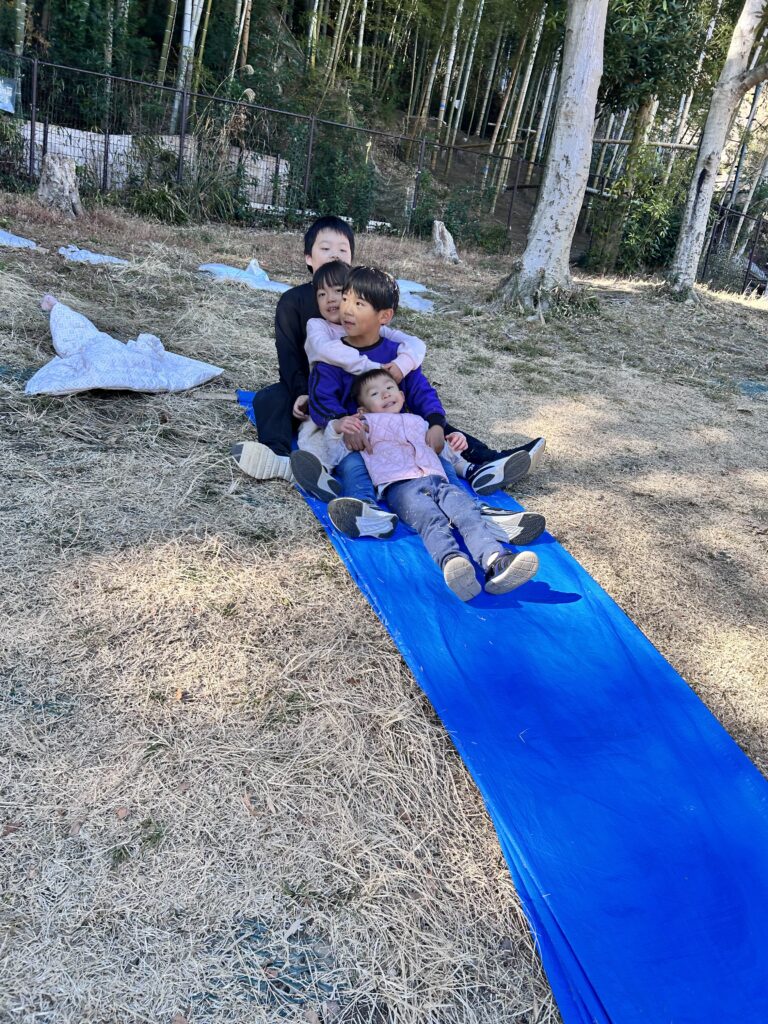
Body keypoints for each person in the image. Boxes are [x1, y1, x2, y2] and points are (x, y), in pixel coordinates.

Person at [231, 215, 545, 489]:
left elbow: (402, 342)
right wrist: (301, 392)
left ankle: (484, 459)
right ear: (309, 258)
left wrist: (400, 367)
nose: (334, 255)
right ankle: (280, 457)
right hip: (316, 394)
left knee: (416, 411)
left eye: (342, 250)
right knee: (270, 397)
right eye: (325, 249)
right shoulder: (295, 302)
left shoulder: (361, 304)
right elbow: (289, 357)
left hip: (368, 393)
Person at [291, 261, 546, 549]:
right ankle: (366, 511)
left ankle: (481, 514)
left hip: (398, 434)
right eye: (346, 298)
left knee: (438, 462)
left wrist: (436, 424)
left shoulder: (397, 355)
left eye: (359, 304)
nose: (346, 309)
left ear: (384, 316)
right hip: (360, 437)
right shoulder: (334, 355)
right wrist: (342, 421)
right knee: (352, 464)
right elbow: (322, 397)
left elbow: (422, 392)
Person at [334, 367, 540, 601]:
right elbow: (340, 448)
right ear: (361, 409)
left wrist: (455, 442)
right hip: (401, 486)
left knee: (467, 513)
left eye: (390, 388)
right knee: (432, 520)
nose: (385, 394)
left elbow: (441, 451)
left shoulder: (421, 422)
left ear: (402, 395)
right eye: (374, 393)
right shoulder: (364, 424)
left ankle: (496, 561)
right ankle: (453, 563)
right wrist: (341, 427)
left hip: (438, 479)